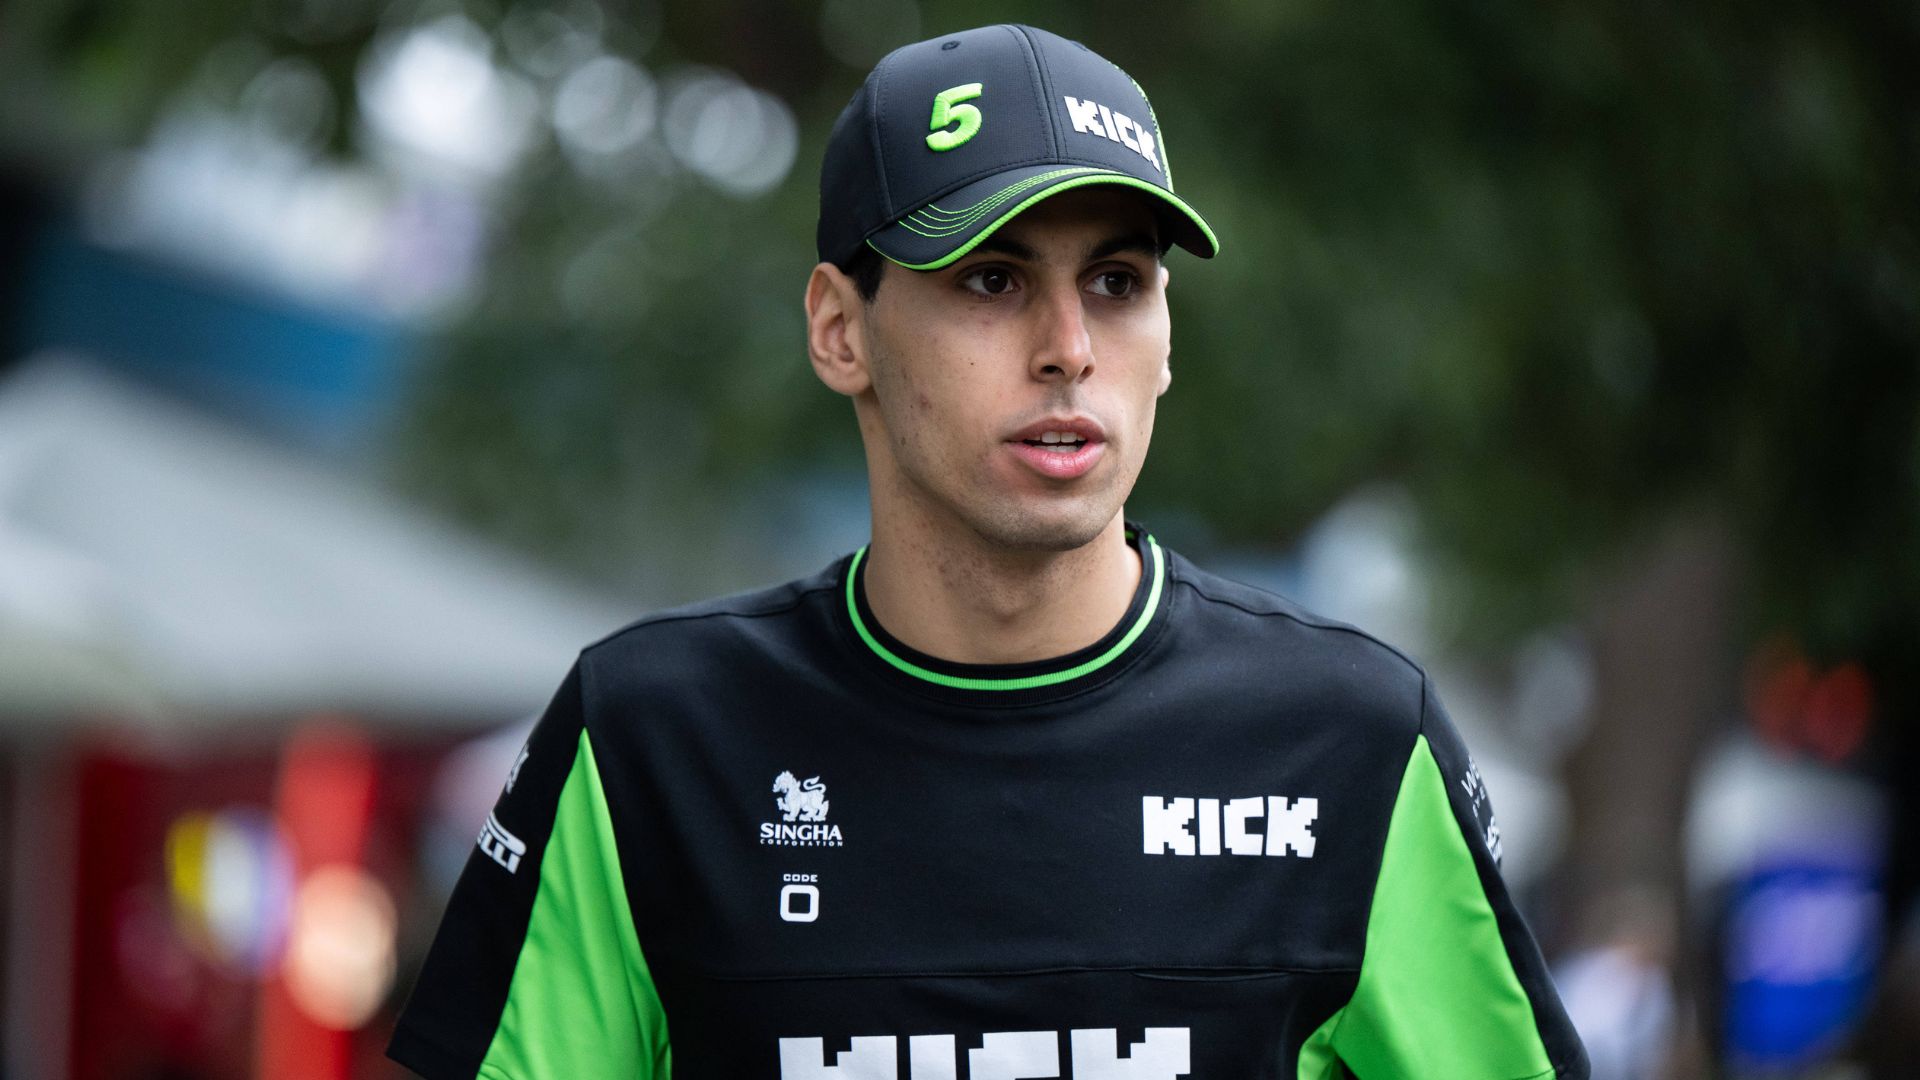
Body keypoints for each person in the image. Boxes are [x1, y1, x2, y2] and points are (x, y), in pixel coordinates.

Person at [387, 23, 1590, 1080]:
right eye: (992, 277)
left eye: (1118, 281)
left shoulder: (1356, 739)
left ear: (1167, 341)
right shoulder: (645, 737)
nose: (1069, 346)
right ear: (839, 330)